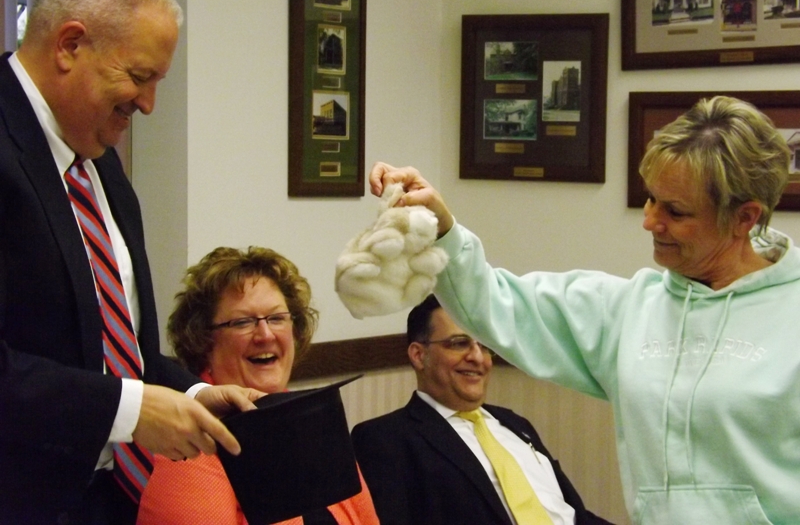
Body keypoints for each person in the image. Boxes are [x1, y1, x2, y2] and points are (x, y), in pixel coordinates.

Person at [367, 96, 800, 524]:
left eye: (675, 211)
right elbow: (495, 304)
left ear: (744, 218)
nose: (650, 221)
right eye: (651, 199)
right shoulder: (630, 311)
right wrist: (442, 227)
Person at [0, 0, 261, 525]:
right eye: (140, 77)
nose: (147, 104)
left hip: (113, 500)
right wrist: (130, 410)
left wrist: (194, 395)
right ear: (70, 45)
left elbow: (116, 350)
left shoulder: (98, 157)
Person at [137, 246, 380, 525]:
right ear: (203, 341)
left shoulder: (311, 422)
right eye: (243, 322)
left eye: (276, 318)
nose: (265, 335)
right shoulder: (191, 446)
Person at [352, 294, 612, 525]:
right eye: (459, 343)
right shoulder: (384, 439)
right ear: (419, 355)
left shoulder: (515, 424)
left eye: (484, 346)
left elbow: (574, 514)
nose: (478, 358)